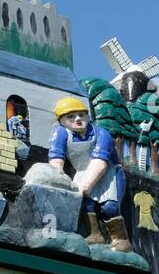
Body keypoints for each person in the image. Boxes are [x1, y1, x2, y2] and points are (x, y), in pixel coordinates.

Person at [49, 96, 131, 252]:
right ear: (62, 121)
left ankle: (121, 239)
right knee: (85, 203)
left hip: (109, 172)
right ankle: (94, 234)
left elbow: (100, 163)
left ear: (88, 116)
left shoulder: (101, 134)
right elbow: (56, 159)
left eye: (81, 115)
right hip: (82, 171)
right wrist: (57, 181)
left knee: (109, 207)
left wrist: (87, 185)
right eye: (71, 117)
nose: (78, 119)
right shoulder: (60, 134)